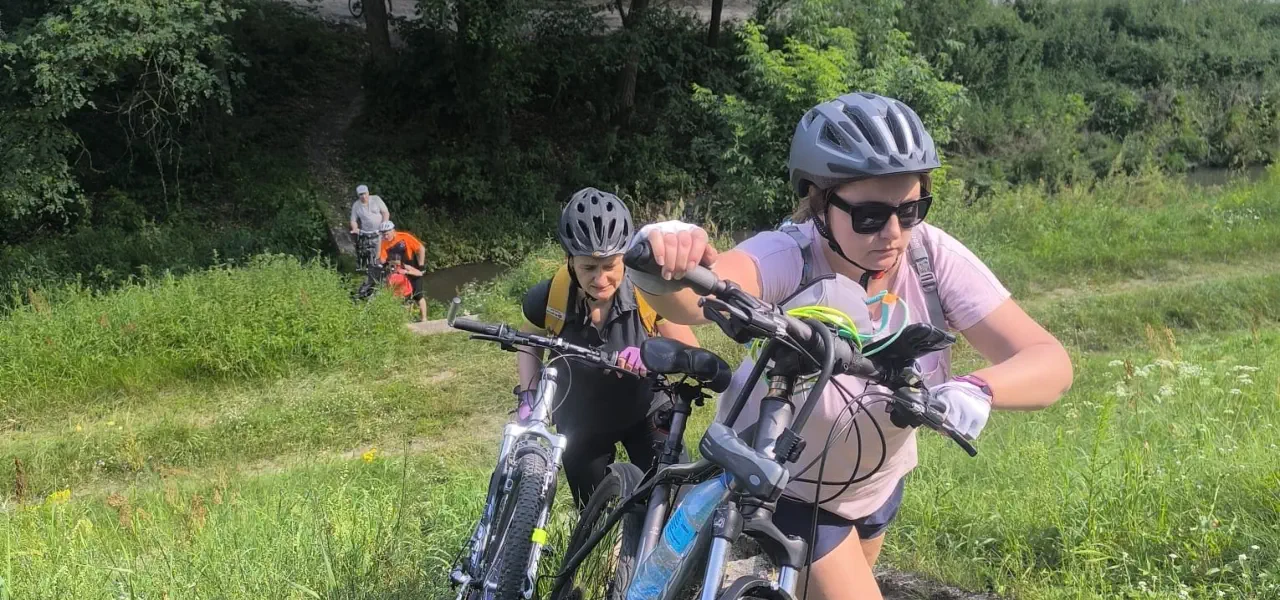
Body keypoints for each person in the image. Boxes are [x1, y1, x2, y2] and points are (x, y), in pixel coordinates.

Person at [626, 92, 1074, 600]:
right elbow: (693, 299)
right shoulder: (791, 255)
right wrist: (665, 256)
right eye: (869, 216)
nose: (893, 234)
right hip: (788, 481)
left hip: (877, 482)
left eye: (911, 210)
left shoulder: (930, 258)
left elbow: (1049, 360)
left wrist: (978, 388)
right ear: (821, 204)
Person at [516, 187, 702, 509]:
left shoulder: (648, 294)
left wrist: (652, 356)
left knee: (673, 500)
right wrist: (528, 396)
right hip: (581, 420)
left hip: (645, 409)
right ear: (570, 262)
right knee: (595, 518)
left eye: (610, 266)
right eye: (589, 267)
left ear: (625, 259)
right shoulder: (550, 298)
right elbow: (528, 338)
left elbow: (691, 349)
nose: (600, 279)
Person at [377, 221, 430, 322]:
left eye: (387, 234)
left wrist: (421, 266)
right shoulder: (383, 243)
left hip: (412, 268)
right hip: (399, 272)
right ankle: (408, 320)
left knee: (418, 295)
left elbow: (421, 249)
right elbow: (383, 260)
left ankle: (424, 319)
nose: (385, 236)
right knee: (404, 298)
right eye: (383, 234)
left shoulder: (404, 237)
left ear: (393, 231)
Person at [350, 184, 390, 268]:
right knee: (365, 251)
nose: (363, 196)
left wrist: (384, 225)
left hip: (380, 230)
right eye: (361, 194)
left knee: (381, 250)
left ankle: (383, 266)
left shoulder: (376, 199)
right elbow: (353, 220)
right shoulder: (356, 205)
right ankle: (367, 267)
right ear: (358, 195)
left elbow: (385, 213)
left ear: (368, 192)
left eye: (365, 193)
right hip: (366, 232)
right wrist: (355, 228)